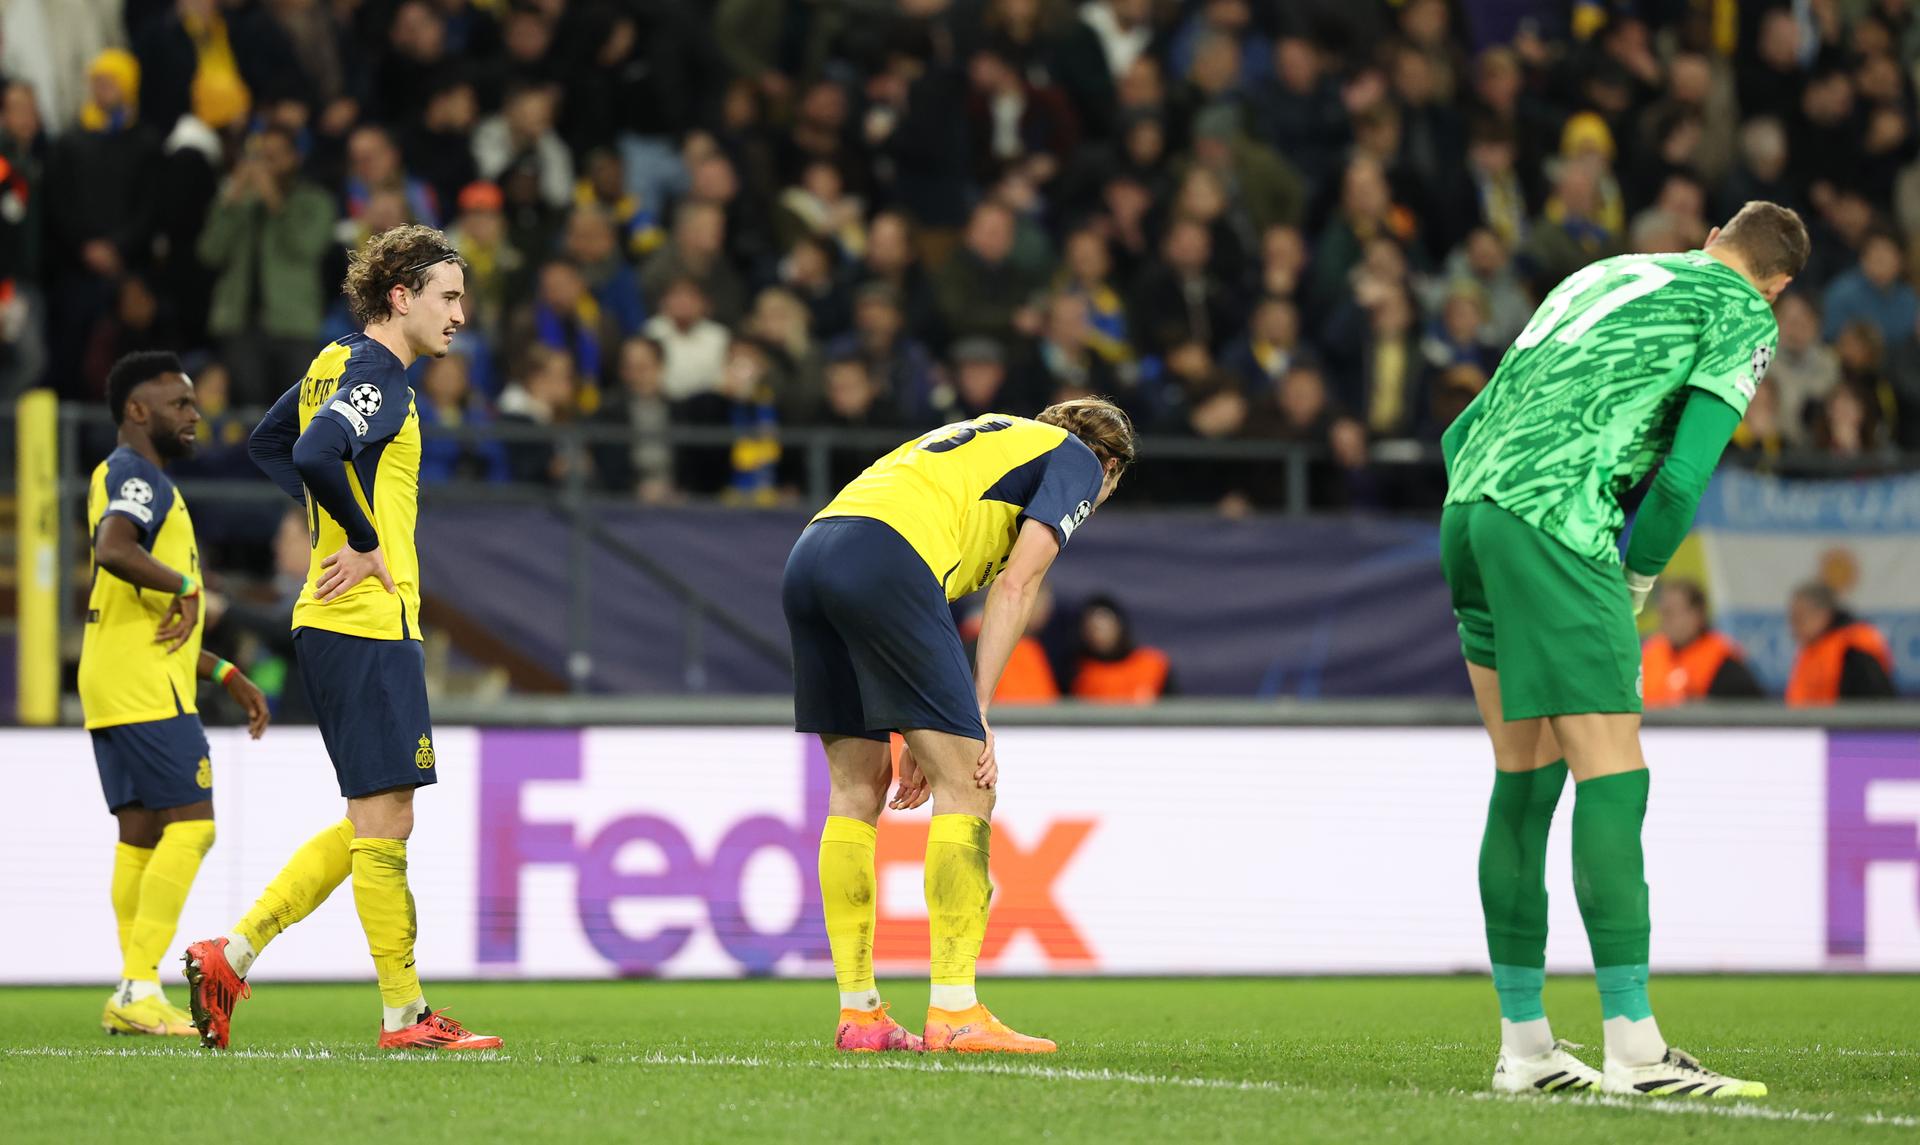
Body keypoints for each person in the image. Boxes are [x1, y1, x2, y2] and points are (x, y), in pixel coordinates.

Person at [1440, 201, 1809, 1098]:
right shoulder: (1742, 311)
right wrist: (1637, 581)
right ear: (1779, 282)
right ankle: (1636, 1051)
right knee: (1613, 771)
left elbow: (1465, 424)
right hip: (1558, 521)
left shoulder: (1600, 273)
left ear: (1715, 234)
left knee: (1522, 777)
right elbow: (1682, 480)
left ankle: (1525, 1048)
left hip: (1469, 512)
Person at [184, 225, 501, 1053]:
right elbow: (319, 451)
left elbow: (271, 442)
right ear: (401, 297)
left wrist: (333, 517)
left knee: (376, 816)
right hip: (364, 622)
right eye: (449, 295)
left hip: (338, 624)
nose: (460, 314)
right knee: (385, 817)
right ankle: (402, 1013)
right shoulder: (383, 378)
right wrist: (359, 537)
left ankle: (234, 954)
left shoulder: (332, 362)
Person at [784, 397, 1135, 1054]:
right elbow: (1015, 587)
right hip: (886, 557)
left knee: (857, 789)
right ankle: (955, 1008)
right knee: (970, 780)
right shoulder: (1079, 460)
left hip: (814, 551)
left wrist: (925, 721)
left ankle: (860, 1013)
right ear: (1110, 465)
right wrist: (973, 714)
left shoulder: (988, 435)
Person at [81, 351, 269, 1038]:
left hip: (120, 673)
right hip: (141, 684)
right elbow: (113, 547)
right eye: (180, 404)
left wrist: (223, 672)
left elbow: (158, 621)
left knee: (140, 835)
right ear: (138, 411)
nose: (195, 416)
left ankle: (133, 988)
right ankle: (137, 985)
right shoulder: (136, 476)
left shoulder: (135, 477)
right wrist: (192, 587)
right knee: (193, 824)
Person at [1640, 580, 1763, 707]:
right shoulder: (1650, 654)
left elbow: (1750, 711)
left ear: (1697, 616)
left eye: (1671, 612)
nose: (1664, 620)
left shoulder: (1723, 663)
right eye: (1662, 612)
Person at [1785, 583, 1897, 705]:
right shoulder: (1810, 651)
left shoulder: (1854, 652)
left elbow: (1876, 706)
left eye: (1799, 619)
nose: (1793, 629)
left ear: (1822, 614)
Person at [1070, 594, 1172, 703]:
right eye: (1093, 628)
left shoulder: (1154, 665)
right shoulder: (1076, 670)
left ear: (1118, 626)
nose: (1099, 635)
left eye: (1104, 627)